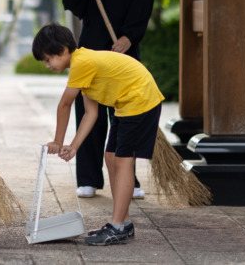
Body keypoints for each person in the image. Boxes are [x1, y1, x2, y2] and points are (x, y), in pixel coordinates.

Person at [32, 22, 164, 246]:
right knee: (110, 157)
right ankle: (124, 222)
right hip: (128, 104)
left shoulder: (81, 62)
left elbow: (65, 104)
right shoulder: (84, 65)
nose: (47, 65)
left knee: (122, 160)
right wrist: (73, 146)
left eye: (47, 59)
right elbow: (90, 113)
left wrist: (57, 141)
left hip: (141, 101)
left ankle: (117, 226)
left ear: (63, 50)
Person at [62, 0, 154, 200]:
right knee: (89, 110)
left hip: (124, 48)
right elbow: (71, 4)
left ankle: (130, 177)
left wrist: (129, 36)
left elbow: (145, 3)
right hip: (92, 45)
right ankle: (88, 177)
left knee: (127, 111)